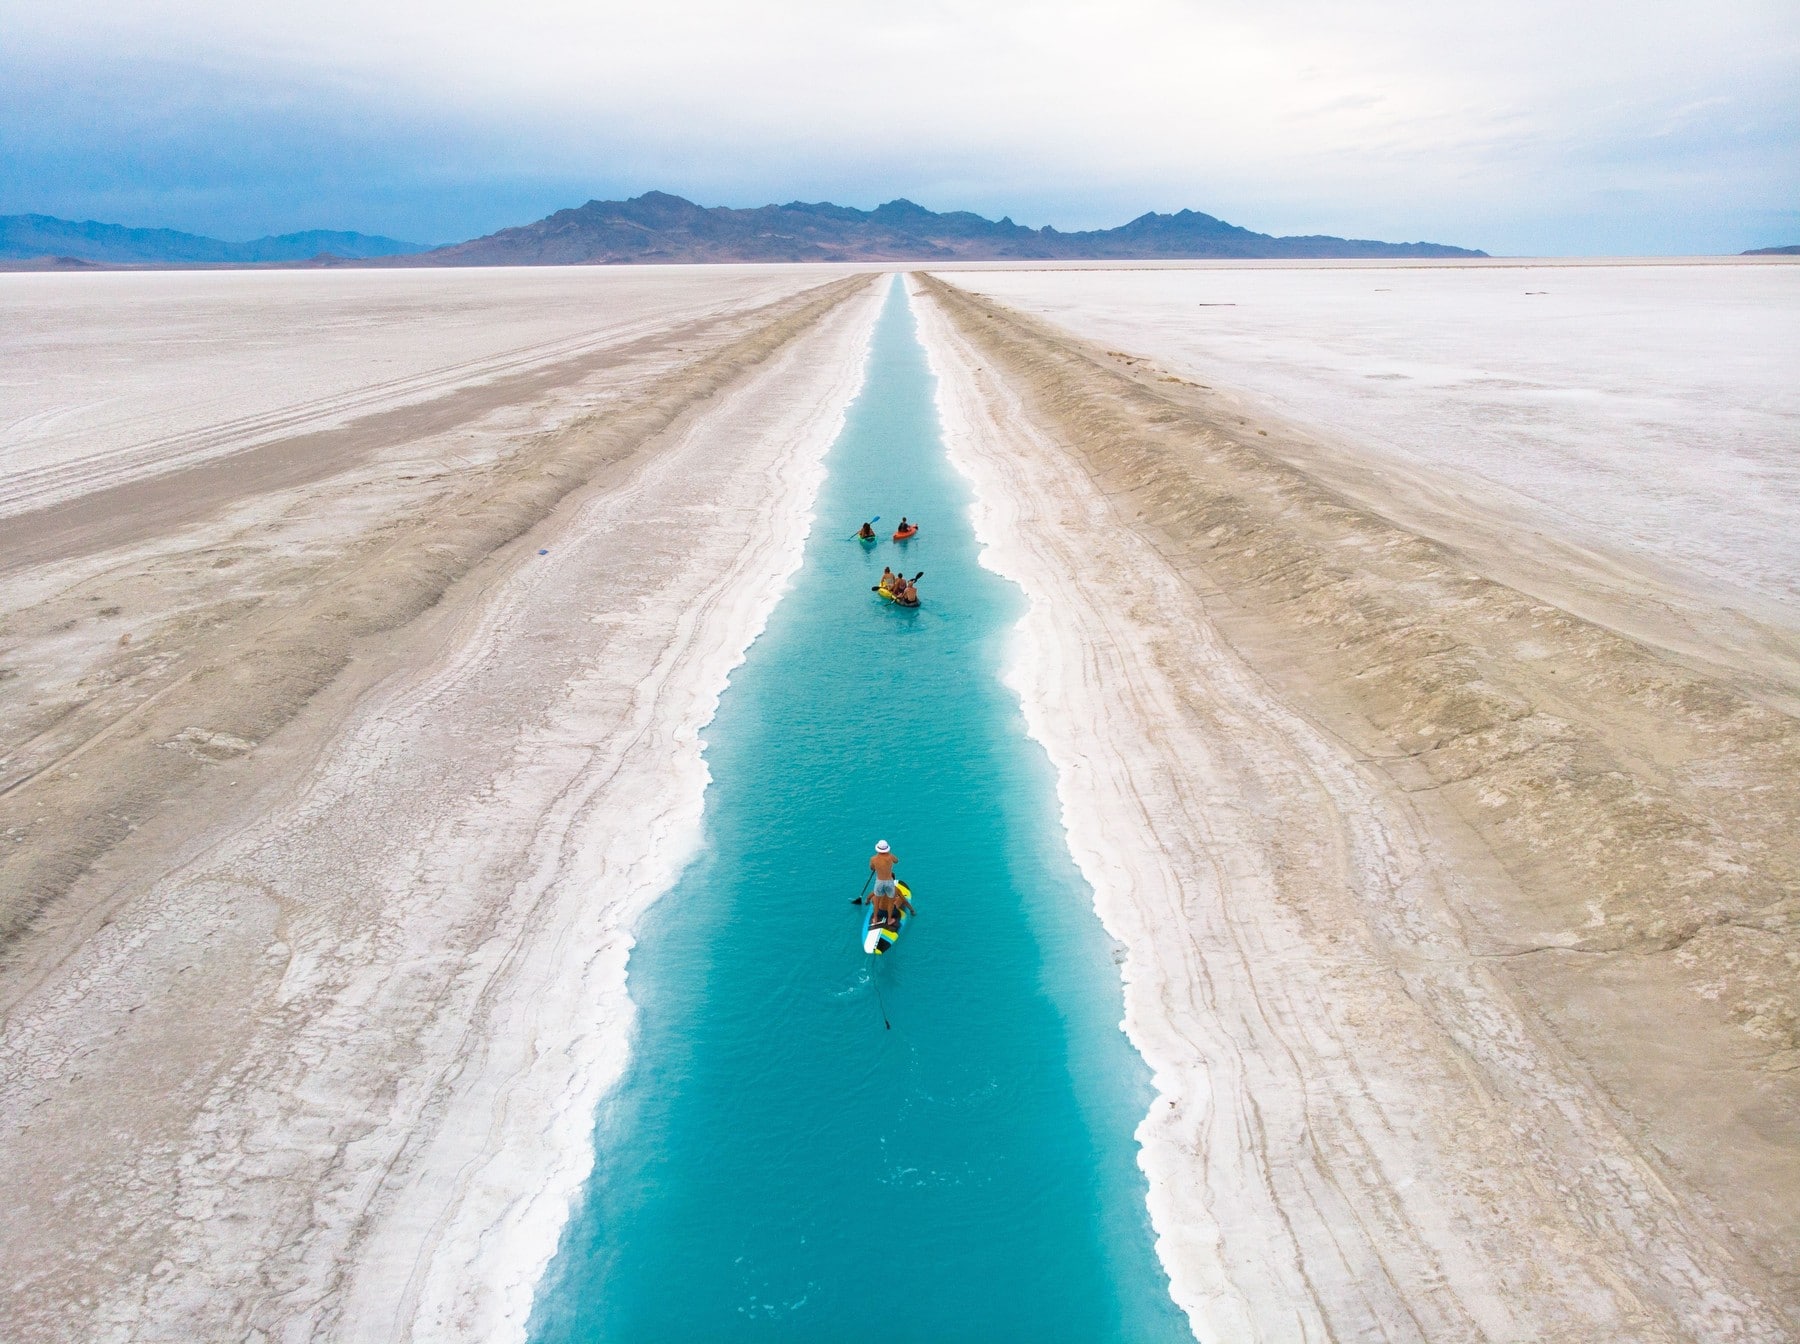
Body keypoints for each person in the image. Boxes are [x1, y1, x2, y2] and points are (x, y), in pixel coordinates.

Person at [869, 839, 906, 928]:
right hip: (889, 881)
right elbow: (896, 861)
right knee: (890, 902)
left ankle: (875, 919)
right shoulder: (890, 856)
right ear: (887, 849)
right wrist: (890, 856)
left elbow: (872, 868)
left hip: (879, 881)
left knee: (876, 900)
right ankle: (889, 920)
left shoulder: (873, 859)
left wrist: (876, 866)